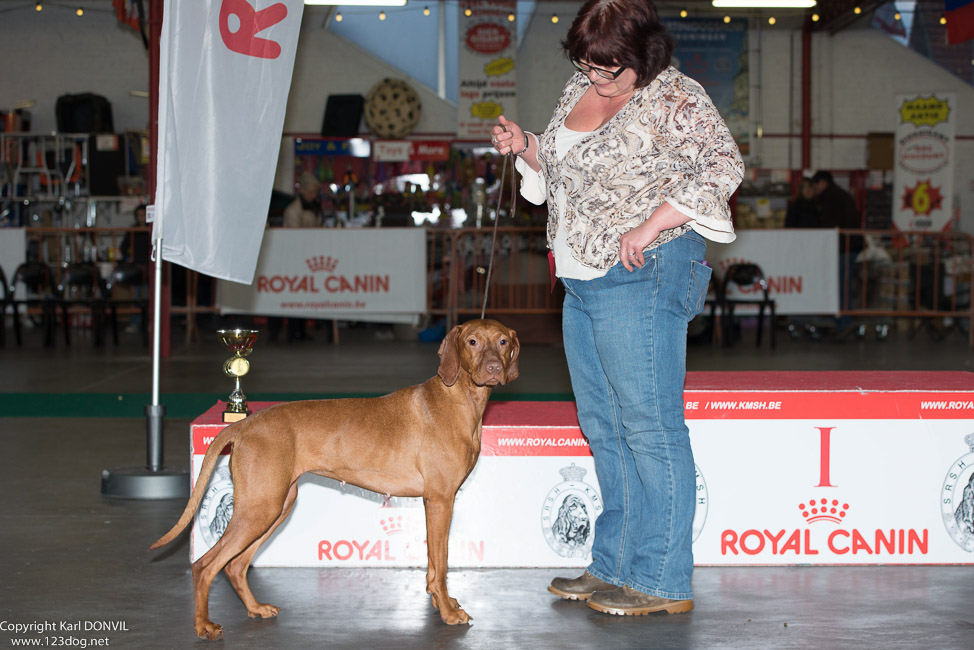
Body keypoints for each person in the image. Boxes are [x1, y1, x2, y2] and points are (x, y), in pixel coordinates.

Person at [491, 0, 743, 617]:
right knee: (605, 429)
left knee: (650, 430)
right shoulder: (582, 84)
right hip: (580, 279)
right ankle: (615, 564)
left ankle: (660, 580)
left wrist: (654, 222)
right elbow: (560, 166)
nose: (597, 78)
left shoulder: (675, 96)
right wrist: (525, 145)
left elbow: (724, 166)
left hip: (645, 272)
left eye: (610, 70)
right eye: (587, 64)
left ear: (642, 57)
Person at [811, 170, 862, 316]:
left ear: (822, 183)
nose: (815, 191)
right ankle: (843, 318)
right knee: (843, 284)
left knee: (842, 285)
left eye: (815, 187)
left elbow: (829, 224)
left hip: (844, 247)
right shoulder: (840, 195)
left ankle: (844, 320)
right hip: (849, 245)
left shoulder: (830, 197)